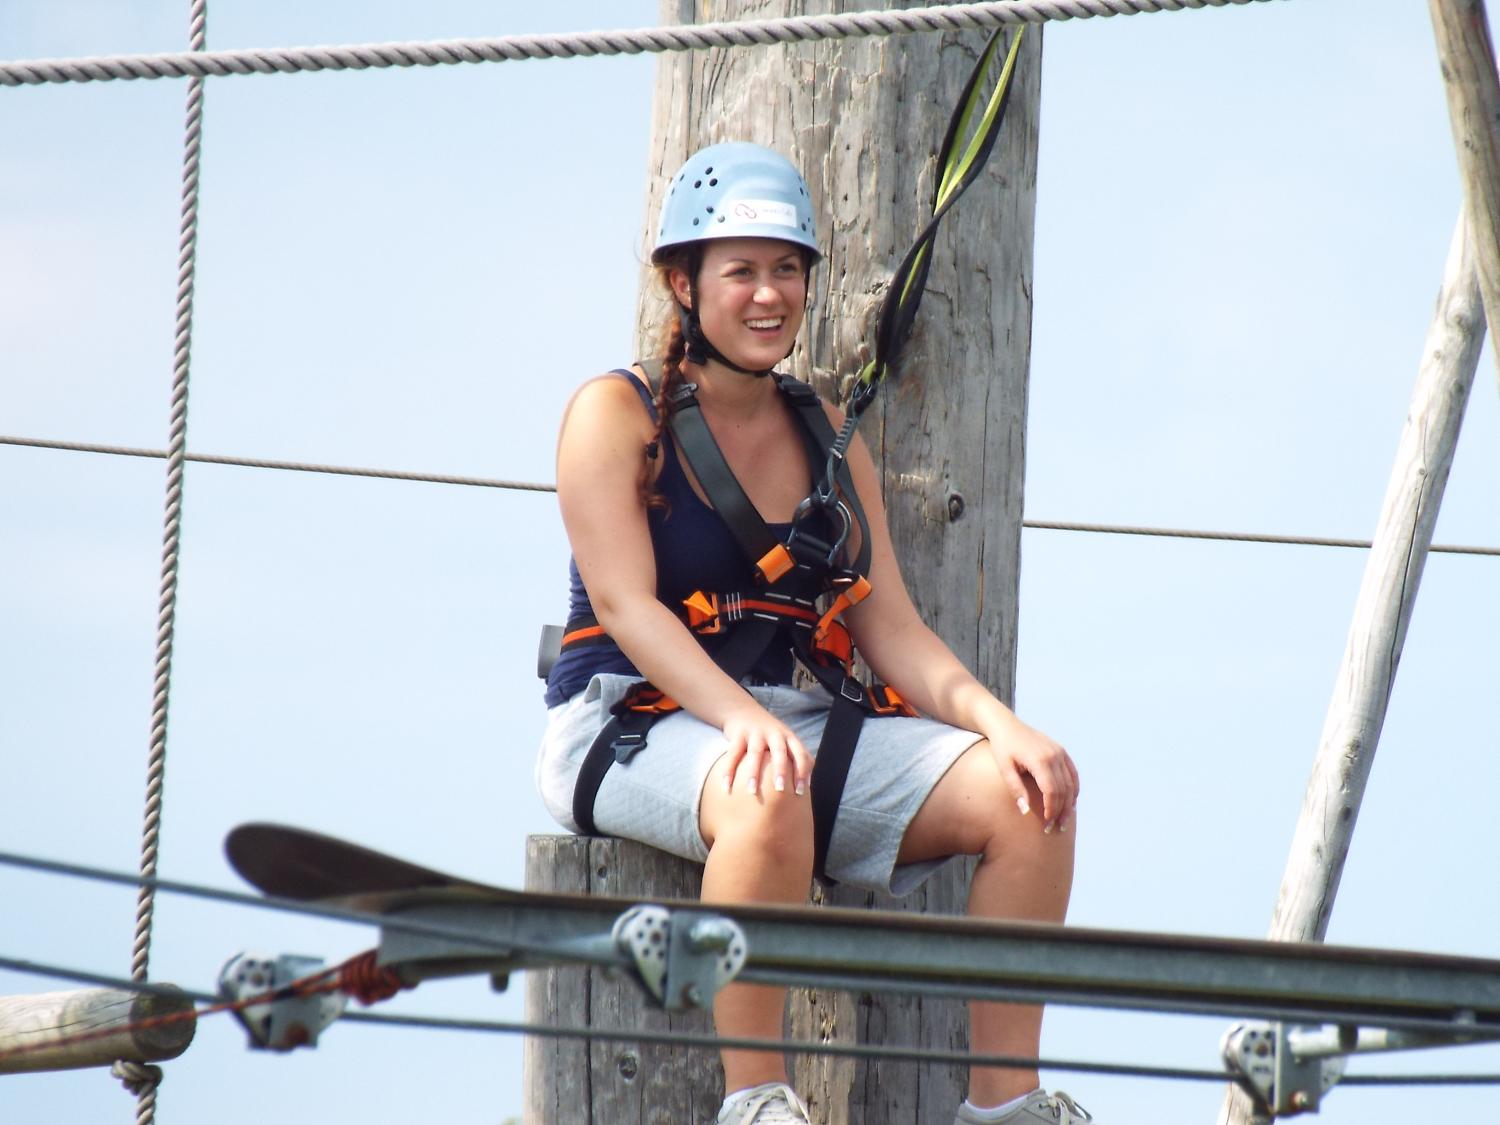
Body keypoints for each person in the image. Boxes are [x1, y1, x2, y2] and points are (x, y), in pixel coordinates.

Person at [536, 141, 1088, 1125]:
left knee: (1027, 799)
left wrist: (1003, 727)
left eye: (787, 269)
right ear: (683, 283)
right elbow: (625, 605)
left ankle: (1005, 1108)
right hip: (624, 720)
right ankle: (757, 1101)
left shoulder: (826, 434)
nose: (769, 294)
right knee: (768, 785)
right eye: (741, 270)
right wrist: (740, 719)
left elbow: (893, 627)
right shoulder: (614, 413)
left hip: (776, 724)